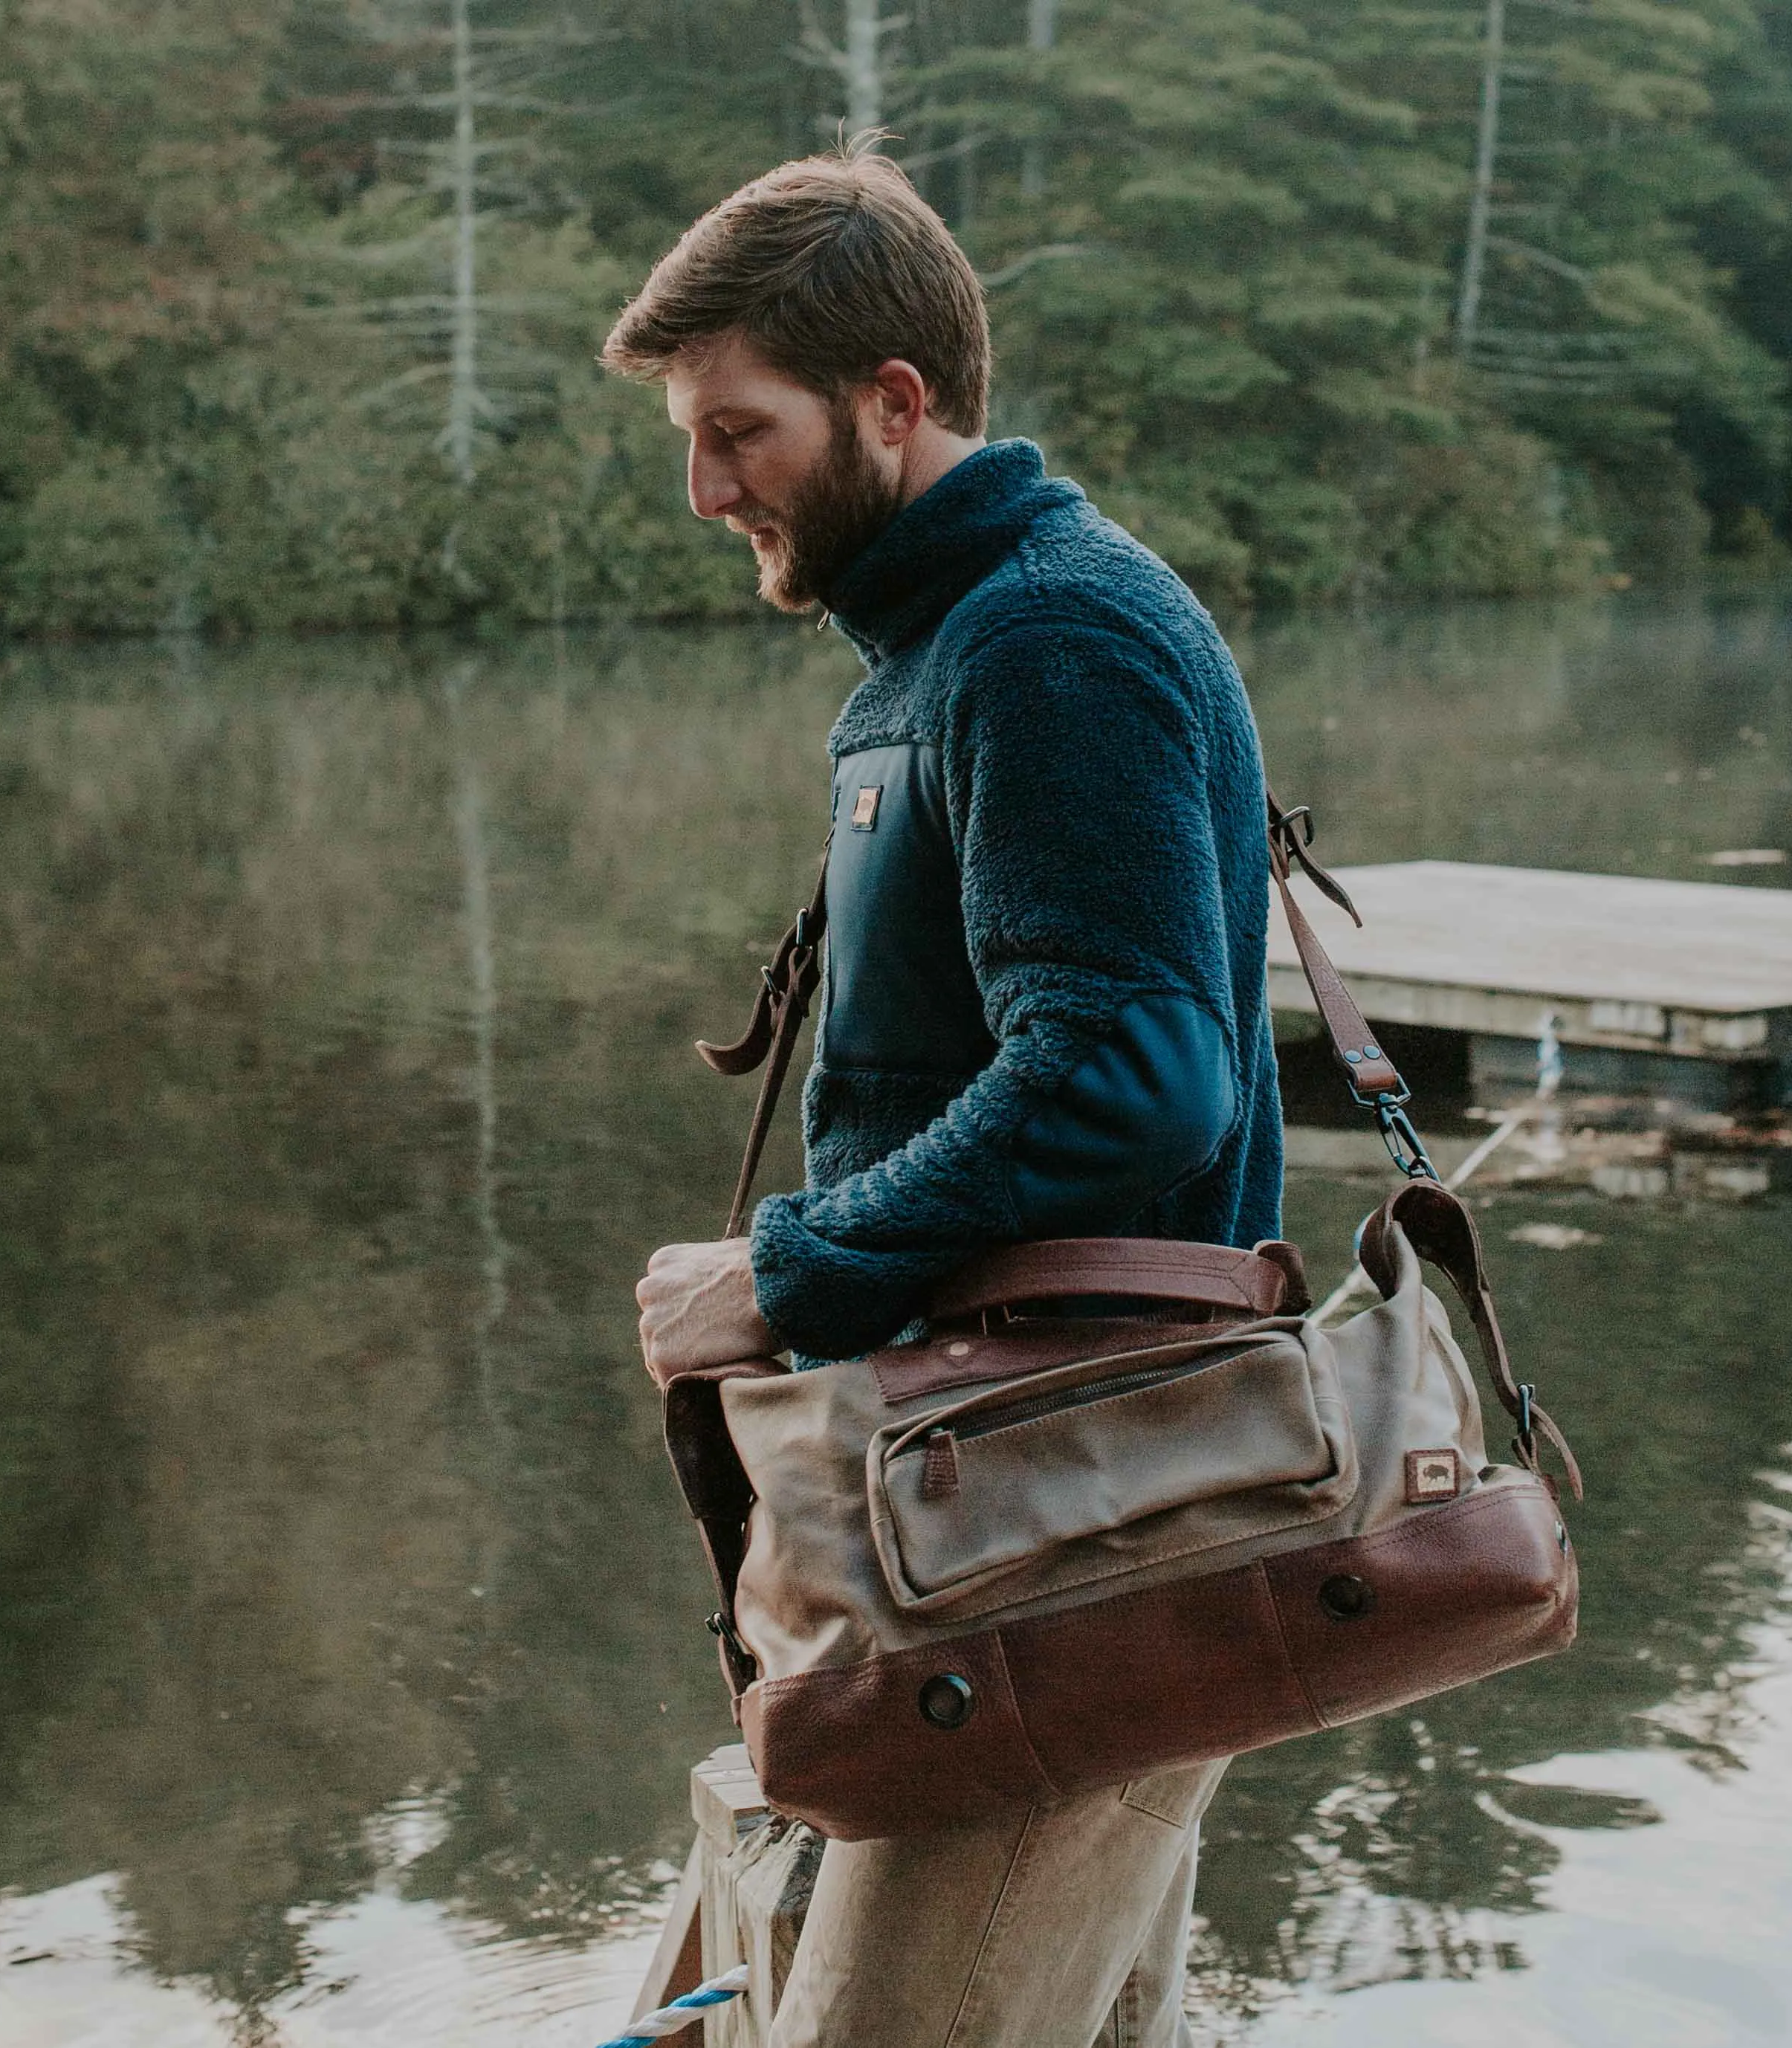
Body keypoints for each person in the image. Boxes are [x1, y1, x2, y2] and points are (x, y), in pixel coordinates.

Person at [608, 146, 1285, 2048]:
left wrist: (793, 1267)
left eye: (739, 429)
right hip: (1008, 1519)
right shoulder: (953, 638)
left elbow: (1137, 1067)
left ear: (894, 405)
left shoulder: (1052, 639)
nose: (703, 485)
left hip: (1079, 1540)